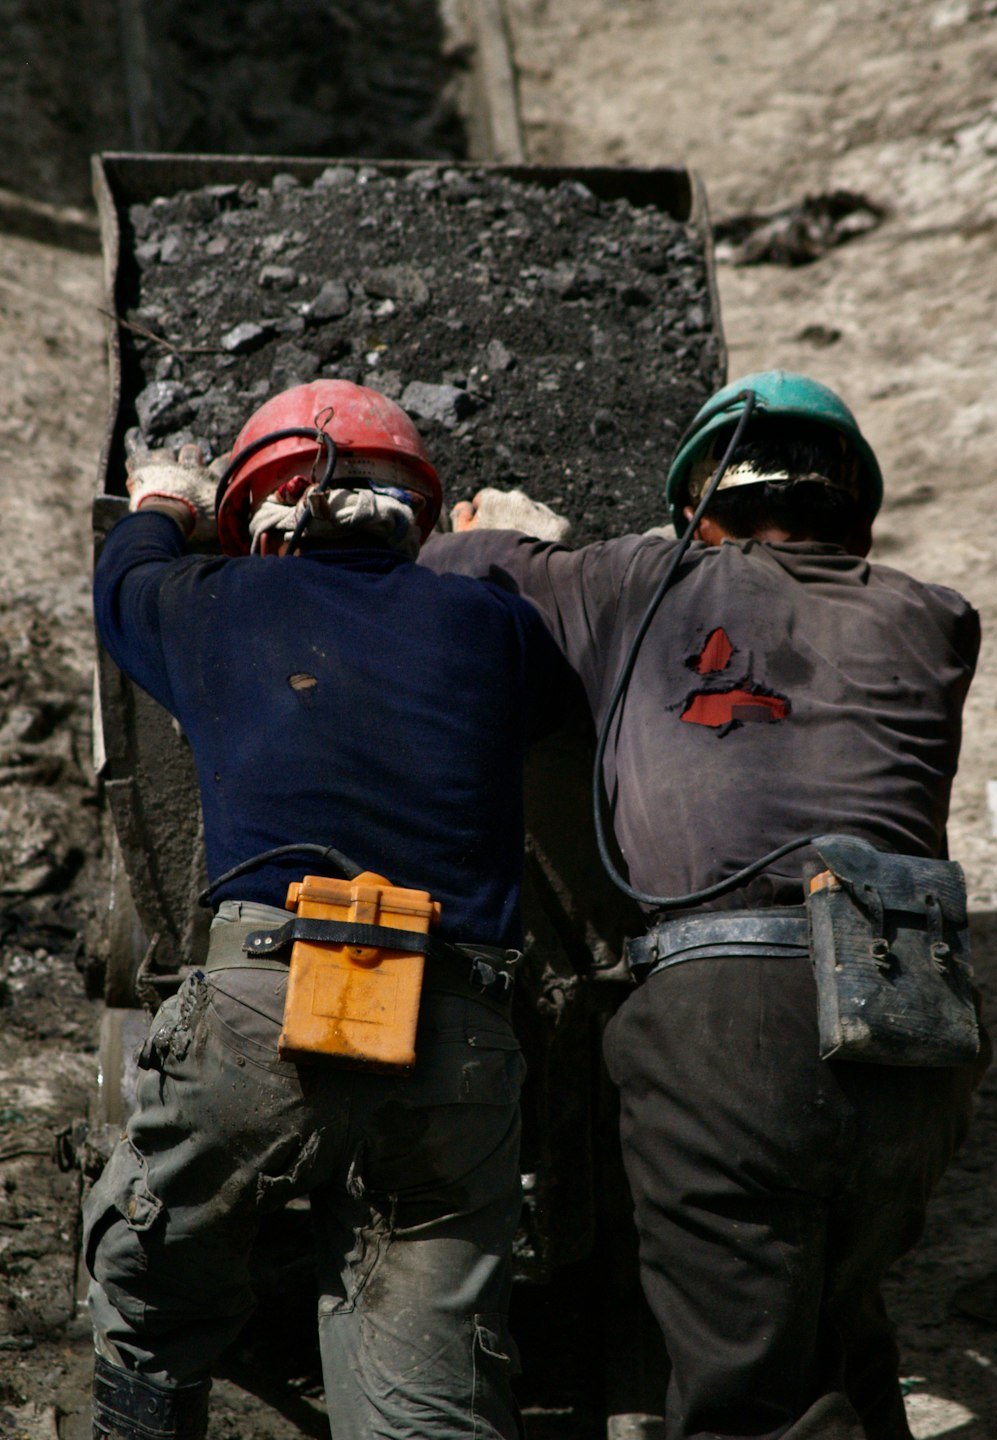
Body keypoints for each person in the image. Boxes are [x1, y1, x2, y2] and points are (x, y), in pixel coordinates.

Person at [422, 370, 988, 1440]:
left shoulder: (639, 583)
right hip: (914, 1010)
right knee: (839, 1326)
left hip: (729, 1027)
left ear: (700, 513)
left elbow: (455, 562)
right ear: (857, 516)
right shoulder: (935, 618)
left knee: (748, 1397)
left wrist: (522, 535)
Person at [84, 380, 571, 1440]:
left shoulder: (211, 600)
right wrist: (511, 556)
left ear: (260, 521)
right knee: (424, 1395)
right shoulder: (494, 623)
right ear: (416, 520)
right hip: (451, 1031)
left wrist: (161, 503)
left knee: (150, 1293)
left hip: (256, 1013)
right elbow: (554, 688)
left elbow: (122, 581)